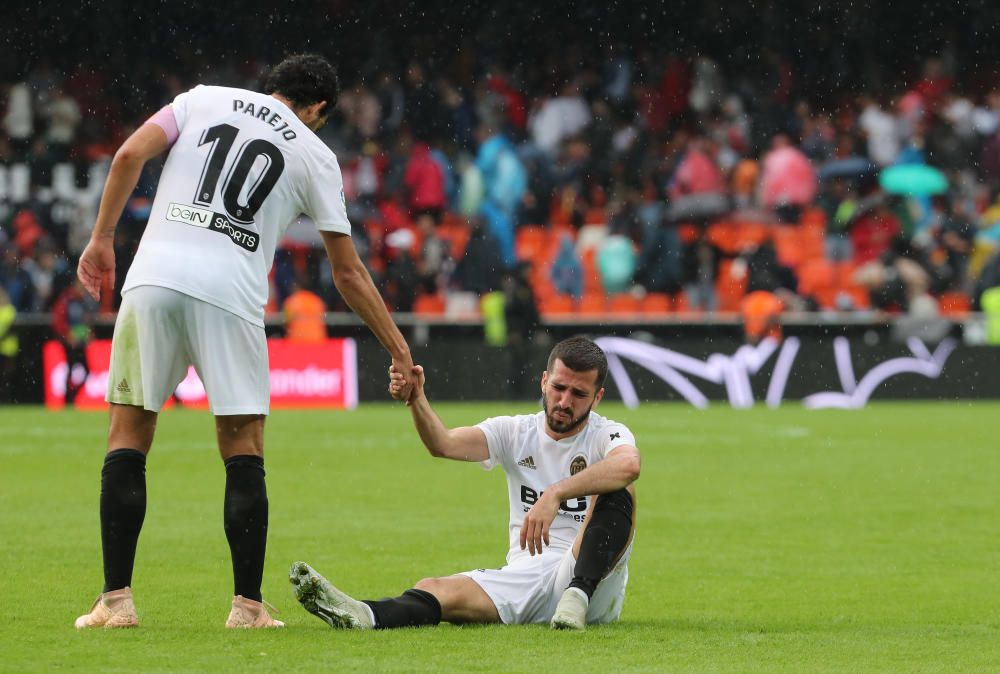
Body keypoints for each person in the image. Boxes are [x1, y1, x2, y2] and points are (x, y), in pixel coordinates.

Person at [74, 54, 414, 630]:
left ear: (271, 87)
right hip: (229, 295)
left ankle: (115, 602)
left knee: (128, 434)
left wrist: (102, 239)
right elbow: (348, 272)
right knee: (242, 448)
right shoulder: (315, 153)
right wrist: (399, 348)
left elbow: (129, 154)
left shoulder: (201, 98)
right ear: (319, 110)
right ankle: (247, 607)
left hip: (153, 279)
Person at [290, 337, 640, 631]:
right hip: (526, 576)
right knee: (434, 589)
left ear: (597, 398)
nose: (564, 402)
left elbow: (629, 464)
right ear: (544, 381)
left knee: (620, 486)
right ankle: (363, 616)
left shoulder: (605, 434)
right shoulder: (515, 431)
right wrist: (416, 399)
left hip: (592, 585)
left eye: (578, 394)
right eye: (559, 388)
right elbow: (442, 443)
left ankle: (576, 595)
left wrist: (557, 491)